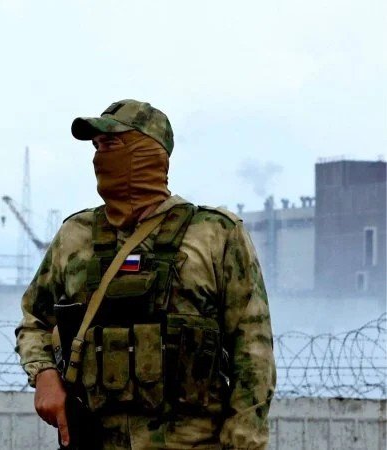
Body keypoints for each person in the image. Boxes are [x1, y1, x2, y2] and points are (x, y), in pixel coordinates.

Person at [14, 99, 276, 449]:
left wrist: (244, 442)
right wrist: (44, 374)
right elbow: (34, 320)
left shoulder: (215, 234)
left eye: (111, 144)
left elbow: (253, 351)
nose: (100, 157)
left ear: (148, 151)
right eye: (96, 147)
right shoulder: (76, 235)